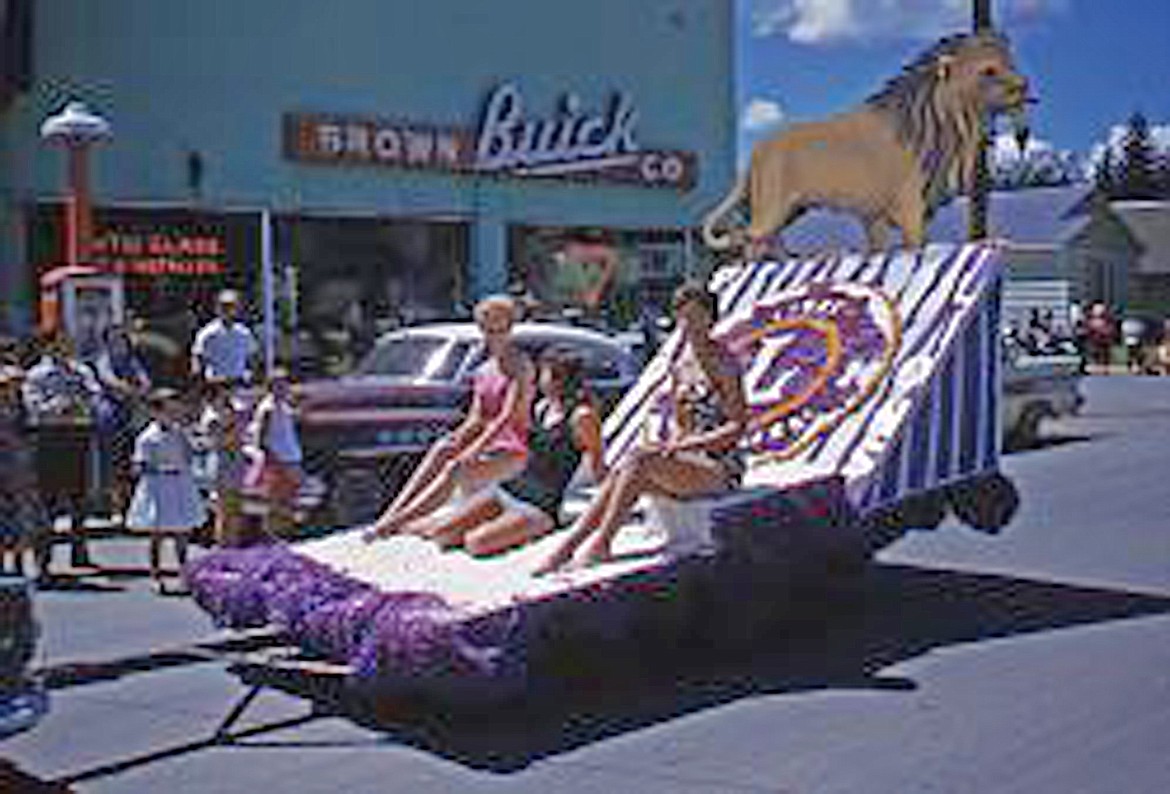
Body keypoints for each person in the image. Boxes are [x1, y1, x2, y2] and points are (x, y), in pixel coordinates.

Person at [535, 281, 749, 574]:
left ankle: (601, 545)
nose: (689, 324)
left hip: (720, 466)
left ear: (712, 319)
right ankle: (568, 547)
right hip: (689, 460)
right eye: (684, 316)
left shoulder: (725, 363)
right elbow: (681, 420)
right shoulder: (680, 362)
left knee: (638, 459)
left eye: (697, 316)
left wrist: (680, 447)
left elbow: (737, 427)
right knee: (623, 473)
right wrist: (670, 443)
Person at [401, 348, 607, 557]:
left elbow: (598, 462)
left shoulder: (582, 417)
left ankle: (504, 526)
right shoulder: (542, 407)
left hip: (540, 506)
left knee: (475, 543)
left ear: (559, 377)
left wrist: (606, 506)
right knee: (443, 534)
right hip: (512, 488)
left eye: (543, 372)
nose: (538, 378)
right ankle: (419, 522)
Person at [364, 295, 534, 541]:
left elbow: (506, 418)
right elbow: (476, 418)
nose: (493, 335)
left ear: (510, 327)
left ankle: (394, 523)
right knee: (442, 448)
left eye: (499, 328)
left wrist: (473, 450)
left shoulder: (520, 364)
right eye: (487, 328)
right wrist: (458, 440)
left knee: (456, 467)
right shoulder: (485, 369)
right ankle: (392, 515)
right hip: (491, 444)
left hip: (514, 449)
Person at [22, 332, 102, 574]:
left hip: (77, 435)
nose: (64, 348)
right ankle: (43, 559)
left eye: (67, 344)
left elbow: (95, 395)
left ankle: (79, 552)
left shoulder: (81, 371)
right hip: (49, 438)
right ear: (47, 347)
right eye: (58, 344)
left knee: (79, 497)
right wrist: (58, 406)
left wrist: (82, 403)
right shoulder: (36, 374)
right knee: (47, 500)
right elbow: (32, 406)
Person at [125, 388, 206, 594]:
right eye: (168, 410)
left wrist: (190, 442)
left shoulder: (180, 432)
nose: (173, 414)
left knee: (182, 533)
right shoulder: (147, 438)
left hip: (179, 484)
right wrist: (160, 469)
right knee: (157, 534)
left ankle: (184, 574)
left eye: (175, 410)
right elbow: (139, 465)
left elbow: (190, 454)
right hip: (159, 487)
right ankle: (156, 575)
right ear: (156, 412)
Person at [91, 325, 152, 519]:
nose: (119, 343)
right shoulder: (103, 359)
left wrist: (139, 389)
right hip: (111, 414)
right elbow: (109, 380)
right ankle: (114, 507)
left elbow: (145, 381)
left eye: (122, 339)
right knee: (111, 461)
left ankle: (133, 506)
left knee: (133, 460)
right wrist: (131, 390)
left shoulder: (132, 361)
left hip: (131, 412)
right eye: (114, 339)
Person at [244, 368, 304, 538]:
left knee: (289, 498)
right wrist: (274, 460)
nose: (284, 388)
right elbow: (261, 438)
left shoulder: (283, 405)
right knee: (276, 500)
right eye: (280, 385)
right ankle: (273, 535)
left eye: (285, 385)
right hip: (279, 460)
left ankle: (284, 533)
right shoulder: (268, 408)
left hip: (291, 457)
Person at [0, 355, 42, 575]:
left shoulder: (23, 409)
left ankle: (18, 564)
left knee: (20, 518)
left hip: (19, 468)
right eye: (6, 385)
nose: (10, 389)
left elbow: (30, 436)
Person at [196, 376, 247, 546]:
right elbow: (218, 441)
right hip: (222, 461)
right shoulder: (211, 416)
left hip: (235, 460)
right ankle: (222, 547)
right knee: (224, 509)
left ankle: (234, 544)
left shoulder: (232, 410)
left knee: (236, 507)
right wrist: (234, 431)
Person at [190, 289, 259, 386]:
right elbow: (197, 357)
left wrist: (251, 375)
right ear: (217, 308)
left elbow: (252, 357)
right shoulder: (207, 333)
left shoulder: (244, 333)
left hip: (239, 383)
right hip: (215, 384)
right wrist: (200, 380)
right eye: (224, 306)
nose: (228, 310)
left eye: (231, 306)